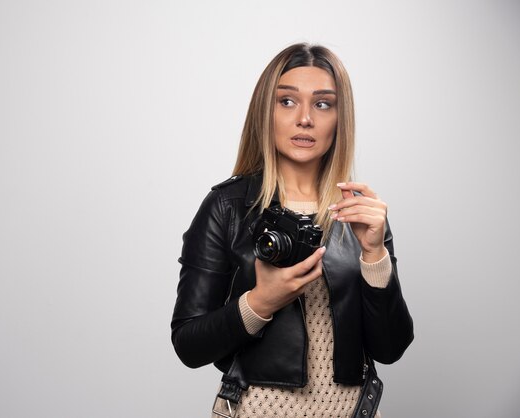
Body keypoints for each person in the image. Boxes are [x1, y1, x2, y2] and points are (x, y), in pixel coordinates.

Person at [171, 43, 414, 418]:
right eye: (287, 101)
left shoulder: (359, 211)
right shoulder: (228, 206)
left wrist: (374, 255)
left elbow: (390, 348)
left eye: (322, 104)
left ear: (339, 117)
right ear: (265, 112)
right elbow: (188, 345)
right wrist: (261, 301)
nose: (304, 119)